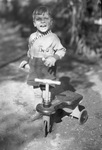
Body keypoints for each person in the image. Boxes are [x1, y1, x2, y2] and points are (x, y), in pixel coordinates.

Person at [19, 5, 66, 120]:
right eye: (39, 19)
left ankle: (48, 113)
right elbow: (30, 52)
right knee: (36, 93)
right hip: (35, 70)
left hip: (47, 71)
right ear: (34, 23)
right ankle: (38, 111)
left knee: (46, 94)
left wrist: (54, 57)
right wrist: (26, 61)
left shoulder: (53, 38)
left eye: (46, 19)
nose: (43, 22)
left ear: (51, 22)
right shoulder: (32, 37)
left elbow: (62, 50)